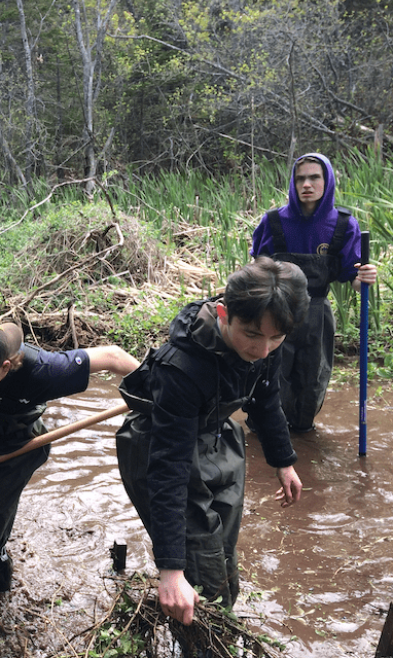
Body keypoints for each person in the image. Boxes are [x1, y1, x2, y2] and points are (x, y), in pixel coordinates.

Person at [116, 257, 310, 627]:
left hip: (216, 434)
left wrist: (283, 461)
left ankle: (214, 611)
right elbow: (168, 468)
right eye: (252, 335)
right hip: (160, 446)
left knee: (221, 547)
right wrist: (170, 569)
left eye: (277, 338)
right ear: (224, 313)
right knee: (198, 561)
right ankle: (202, 635)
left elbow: (265, 399)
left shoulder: (267, 332)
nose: (264, 350)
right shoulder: (182, 369)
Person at [0, 320, 139, 596]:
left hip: (21, 445)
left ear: (5, 367)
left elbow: (113, 356)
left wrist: (157, 389)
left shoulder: (43, 371)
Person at [250, 153, 378, 434]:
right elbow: (255, 271)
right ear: (293, 184)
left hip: (317, 315)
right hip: (275, 313)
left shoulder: (344, 225)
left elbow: (352, 279)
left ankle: (303, 435)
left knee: (313, 381)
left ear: (327, 180)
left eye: (314, 177)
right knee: (272, 379)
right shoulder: (273, 222)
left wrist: (364, 279)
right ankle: (269, 435)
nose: (306, 184)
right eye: (300, 178)